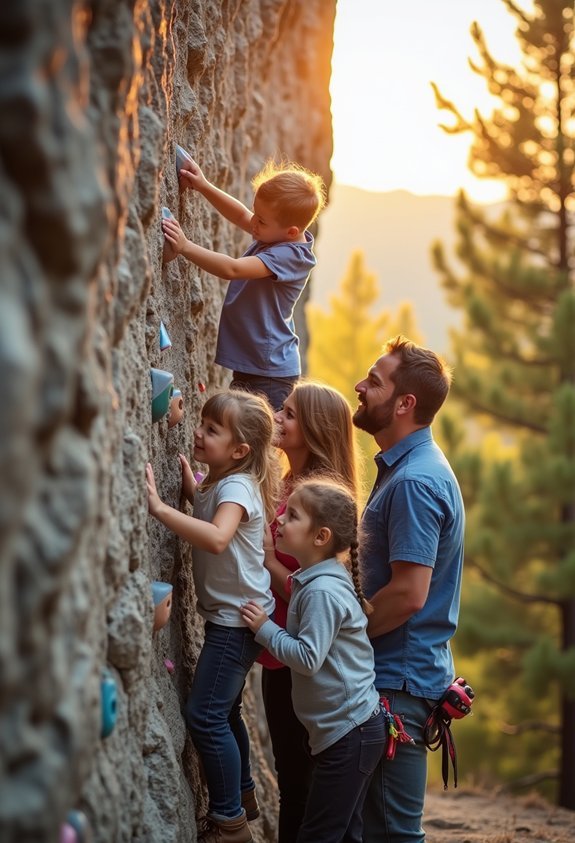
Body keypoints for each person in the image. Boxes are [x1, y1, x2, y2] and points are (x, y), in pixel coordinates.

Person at [146, 390, 281, 843]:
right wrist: (190, 488)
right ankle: (242, 794)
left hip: (235, 625)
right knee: (226, 712)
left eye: (211, 429)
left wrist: (162, 509)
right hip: (235, 619)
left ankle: (230, 824)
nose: (198, 433)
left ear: (240, 451)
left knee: (204, 717)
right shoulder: (223, 480)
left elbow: (219, 538)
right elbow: (211, 511)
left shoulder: (238, 487)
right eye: (201, 423)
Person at [352, 335, 465, 843]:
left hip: (395, 686)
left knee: (392, 834)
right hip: (401, 679)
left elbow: (409, 594)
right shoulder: (410, 469)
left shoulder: (414, 483)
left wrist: (342, 637)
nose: (360, 386)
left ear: (405, 403)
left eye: (374, 381)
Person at [241, 479, 386, 843]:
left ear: (320, 537)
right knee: (344, 833)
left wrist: (264, 629)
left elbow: (307, 658)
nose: (279, 520)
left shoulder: (322, 591)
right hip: (347, 733)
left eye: (292, 516)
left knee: (318, 834)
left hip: (350, 733)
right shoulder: (314, 580)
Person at [259, 381, 360, 843]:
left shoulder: (315, 501)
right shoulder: (289, 484)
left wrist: (267, 561)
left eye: (291, 414)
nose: (278, 417)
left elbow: (310, 589)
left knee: (298, 781)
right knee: (295, 778)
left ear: (315, 430)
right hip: (282, 644)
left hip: (294, 651)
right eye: (283, 409)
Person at [162, 157, 327, 410]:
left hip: (269, 373)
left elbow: (233, 268)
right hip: (257, 363)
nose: (254, 223)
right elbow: (241, 214)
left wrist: (185, 247)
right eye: (256, 213)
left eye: (261, 221)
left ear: (291, 231)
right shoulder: (275, 233)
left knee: (249, 438)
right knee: (238, 429)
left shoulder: (291, 256)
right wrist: (204, 185)